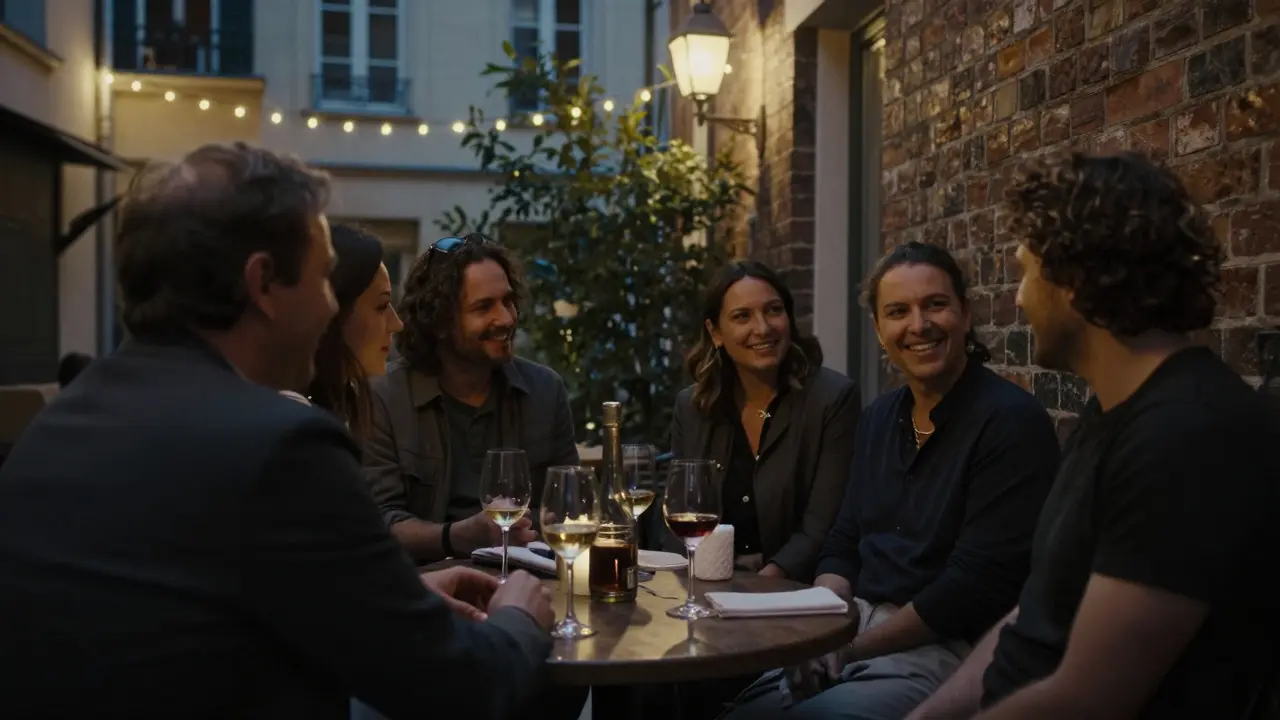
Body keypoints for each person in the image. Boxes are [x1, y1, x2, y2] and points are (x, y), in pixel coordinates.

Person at [0, 142, 555, 719]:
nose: (327, 310)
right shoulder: (280, 445)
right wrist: (519, 615)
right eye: (321, 280)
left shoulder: (55, 427)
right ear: (263, 283)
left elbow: (185, 615)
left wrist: (396, 601)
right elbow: (461, 685)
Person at [908, 153, 1280, 720]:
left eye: (1027, 273)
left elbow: (1087, 700)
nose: (1018, 300)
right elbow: (1033, 617)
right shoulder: (1110, 411)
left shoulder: (1186, 437)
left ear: (1075, 284)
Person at [725, 241, 1061, 720]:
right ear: (880, 330)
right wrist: (824, 627)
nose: (918, 325)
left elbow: (970, 590)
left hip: (948, 648)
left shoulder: (1010, 422)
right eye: (898, 311)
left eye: (935, 305)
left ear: (966, 314)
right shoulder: (881, 416)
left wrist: (852, 647)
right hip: (858, 625)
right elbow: (843, 541)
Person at [364, 234, 579, 563]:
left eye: (508, 301)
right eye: (483, 307)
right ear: (439, 323)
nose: (506, 319)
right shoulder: (384, 398)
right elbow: (378, 523)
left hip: (530, 582)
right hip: (427, 589)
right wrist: (459, 536)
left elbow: (571, 506)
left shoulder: (545, 391)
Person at [663, 260, 859, 581]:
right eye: (742, 316)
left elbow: (823, 525)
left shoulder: (833, 399)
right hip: (708, 583)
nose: (763, 328)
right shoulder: (693, 406)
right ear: (716, 333)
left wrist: (760, 587)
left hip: (793, 588)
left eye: (773, 310)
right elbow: (679, 508)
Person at [278, 222, 404, 441]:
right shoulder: (295, 424)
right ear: (333, 313)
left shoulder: (339, 407)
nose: (397, 324)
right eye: (382, 306)